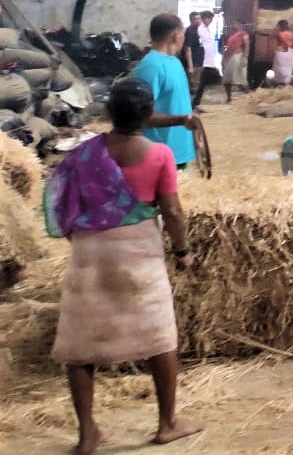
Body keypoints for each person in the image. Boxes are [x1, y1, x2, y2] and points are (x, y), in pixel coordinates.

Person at [45, 78, 202, 454]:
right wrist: (183, 252)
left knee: (79, 344)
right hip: (139, 253)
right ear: (148, 114)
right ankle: (167, 424)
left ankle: (87, 434)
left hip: (89, 255)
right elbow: (173, 211)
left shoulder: (85, 154)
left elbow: (62, 200)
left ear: (110, 112)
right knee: (160, 336)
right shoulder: (160, 156)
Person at [132, 14, 199, 169]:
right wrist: (183, 120)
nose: (184, 39)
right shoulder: (151, 66)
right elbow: (142, 115)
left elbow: (177, 102)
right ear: (176, 36)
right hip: (159, 155)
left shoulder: (175, 62)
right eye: (183, 34)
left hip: (179, 152)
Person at [192, 11, 220, 109]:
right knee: (199, 82)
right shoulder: (200, 28)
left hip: (208, 60)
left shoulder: (206, 29)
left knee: (202, 83)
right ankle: (194, 102)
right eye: (209, 18)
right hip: (203, 60)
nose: (211, 21)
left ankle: (196, 101)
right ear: (204, 18)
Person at [222, 22, 249, 102]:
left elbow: (247, 46)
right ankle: (229, 98)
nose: (233, 25)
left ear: (240, 25)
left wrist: (244, 57)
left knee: (239, 81)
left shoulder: (244, 34)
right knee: (227, 80)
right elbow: (228, 47)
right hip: (230, 58)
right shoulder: (232, 34)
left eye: (235, 23)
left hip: (238, 57)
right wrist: (224, 59)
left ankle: (250, 96)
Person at [180, 12, 202, 87]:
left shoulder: (199, 30)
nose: (198, 21)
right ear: (191, 20)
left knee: (198, 83)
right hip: (193, 62)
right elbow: (187, 48)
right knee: (193, 85)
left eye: (199, 18)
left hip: (199, 61)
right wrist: (190, 66)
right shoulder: (190, 32)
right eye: (195, 19)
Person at [272, 19, 293, 87]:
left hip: (281, 53)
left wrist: (275, 29)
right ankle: (286, 85)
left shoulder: (279, 34)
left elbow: (272, 35)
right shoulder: (291, 34)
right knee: (287, 70)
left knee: (279, 71)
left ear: (280, 26)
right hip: (289, 54)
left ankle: (279, 86)